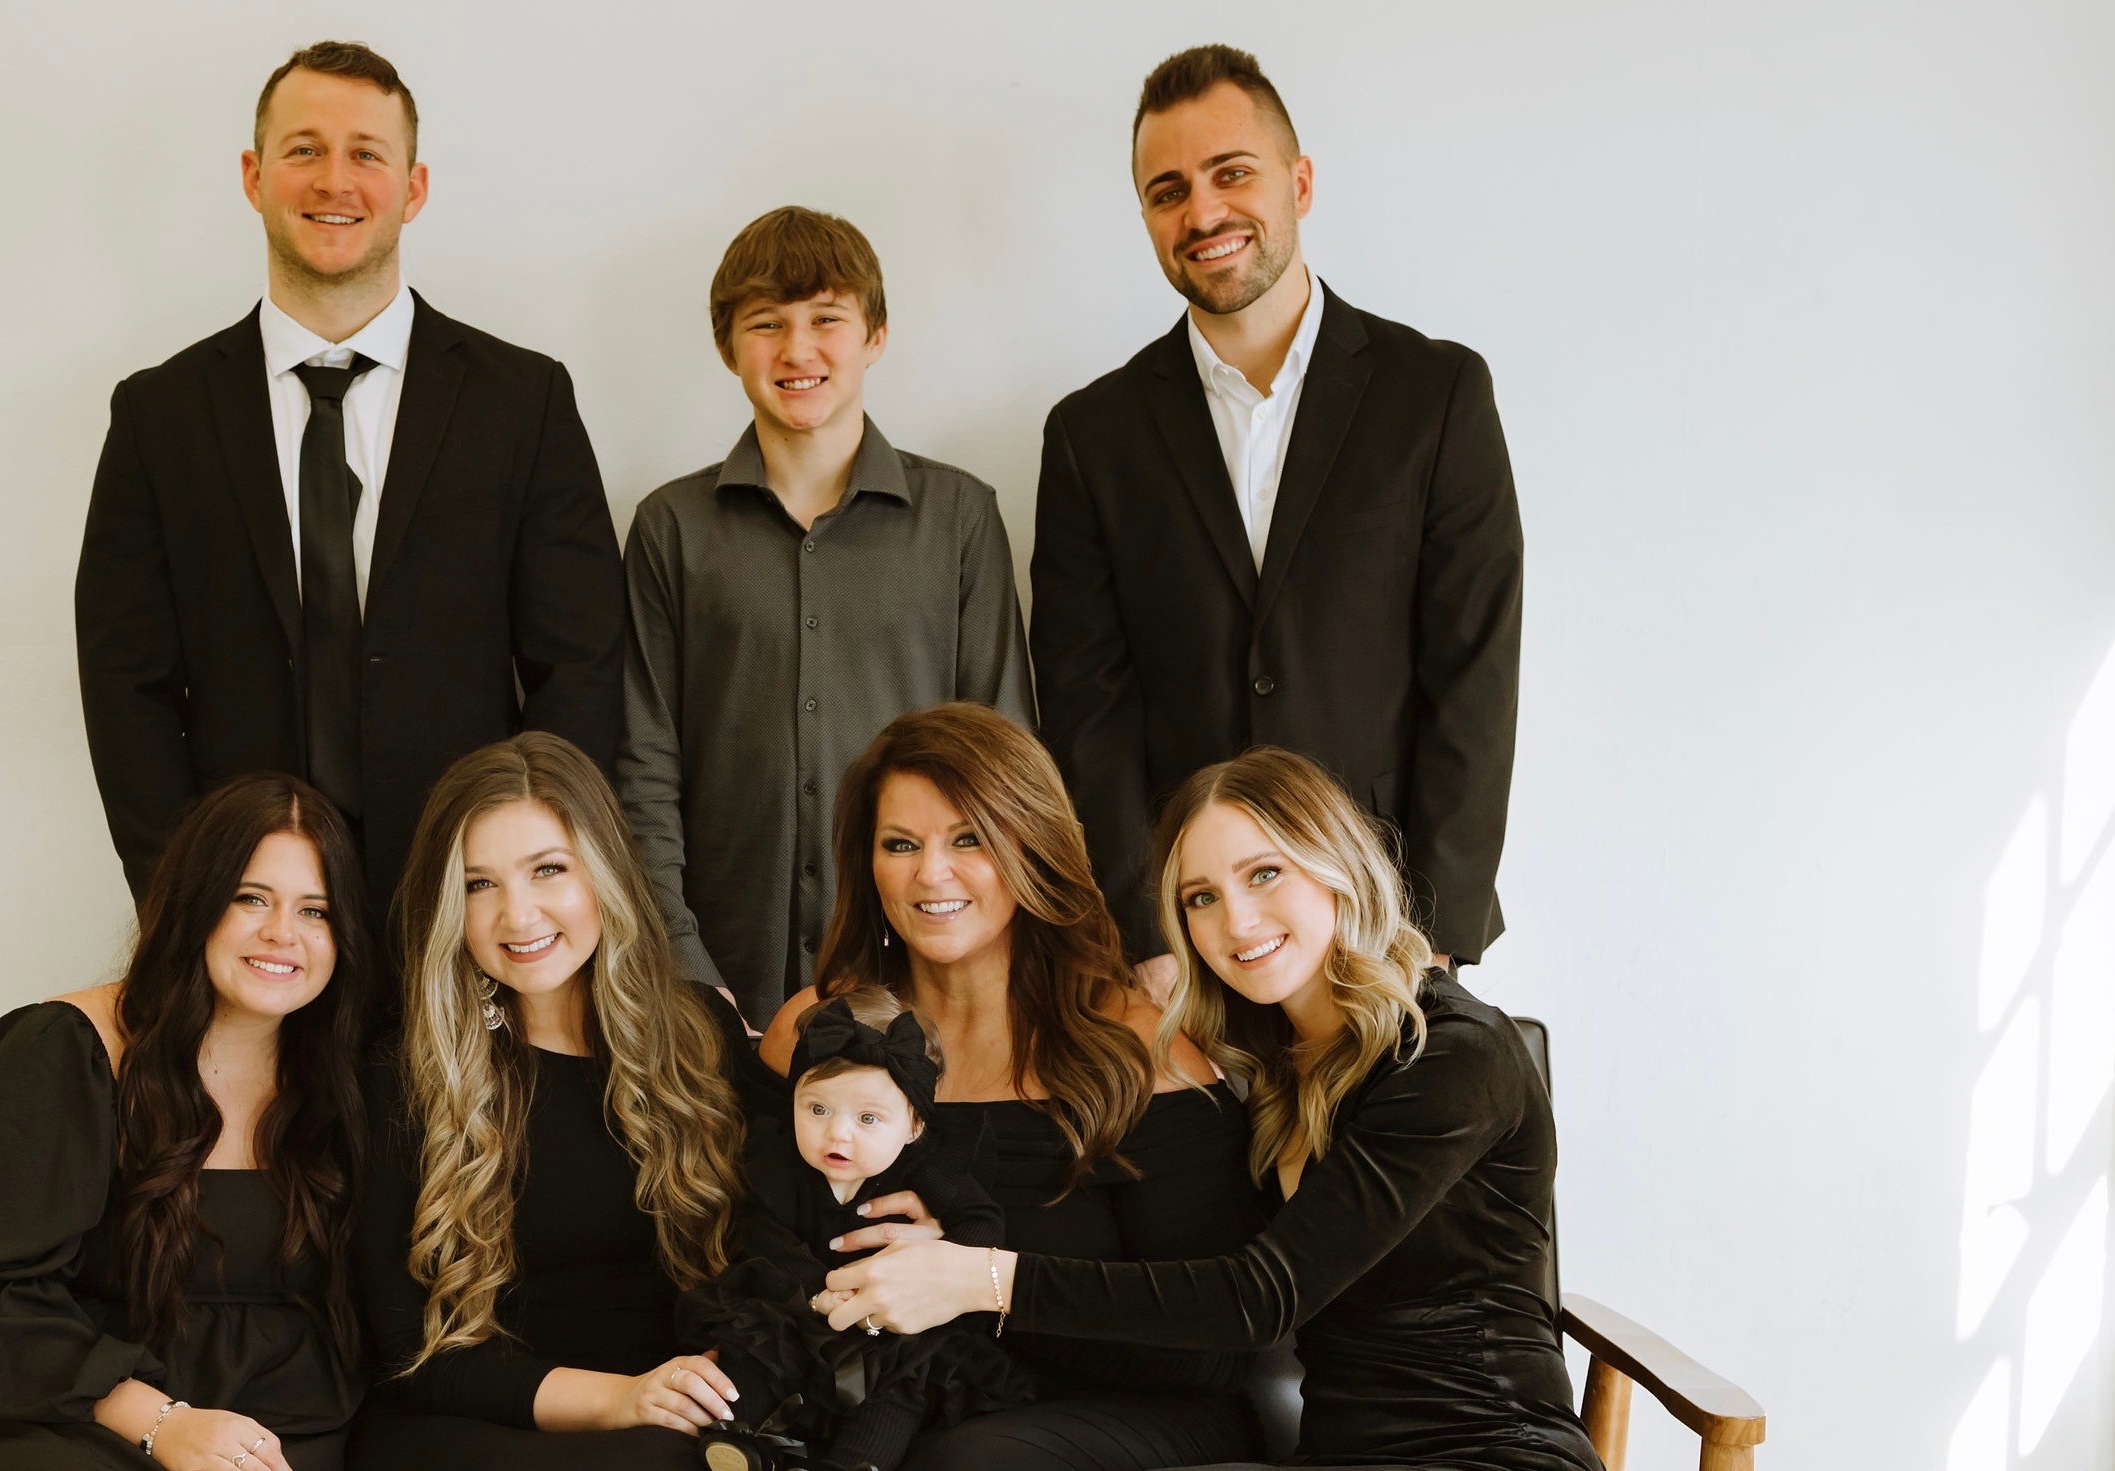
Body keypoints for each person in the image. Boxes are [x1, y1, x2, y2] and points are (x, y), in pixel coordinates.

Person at [819, 747, 1603, 1471]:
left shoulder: (1452, 1053)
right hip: (1336, 1457)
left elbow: (1258, 1296)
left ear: (1335, 866)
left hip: (1489, 1450)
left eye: (1264, 874)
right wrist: (951, 1243)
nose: (1237, 920)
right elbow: (1179, 1274)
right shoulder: (1268, 1060)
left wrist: (980, 1278)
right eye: (1201, 897)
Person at [77, 41, 625, 940]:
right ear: (254, 176)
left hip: (467, 908)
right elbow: (124, 685)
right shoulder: (158, 415)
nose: (335, 180)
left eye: (366, 153)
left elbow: (580, 669)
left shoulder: (523, 401)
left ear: (412, 188)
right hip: (249, 919)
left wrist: (524, 884)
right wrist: (189, 899)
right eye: (304, 149)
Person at [1030, 44, 1521, 1001]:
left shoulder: (1436, 395)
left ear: (1298, 182)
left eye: (1231, 173)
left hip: (1387, 926)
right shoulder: (1090, 435)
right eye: (1167, 191)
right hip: (1191, 942)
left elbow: (1474, 673)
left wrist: (1431, 935)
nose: (1201, 212)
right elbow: (1087, 708)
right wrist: (1145, 934)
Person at [758, 703, 1266, 1471]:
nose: (931, 873)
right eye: (900, 843)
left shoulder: (1143, 1048)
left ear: (1031, 843)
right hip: (887, 1399)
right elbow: (758, 1245)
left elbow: (1214, 1347)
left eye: (968, 838)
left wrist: (972, 1283)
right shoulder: (814, 1033)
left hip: (1131, 1409)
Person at [619, 206, 1033, 1030]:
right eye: (765, 323)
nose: (797, 349)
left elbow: (1005, 758)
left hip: (928, 973)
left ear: (875, 335)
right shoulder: (669, 527)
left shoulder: (958, 518)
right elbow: (644, 764)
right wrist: (682, 963)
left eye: (826, 319)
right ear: (727, 347)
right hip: (723, 977)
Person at [0, 774, 375, 1471]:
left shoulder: (347, 1078)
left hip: (280, 1430)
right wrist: (165, 1423)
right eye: (250, 898)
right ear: (195, 901)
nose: (283, 933)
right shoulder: (63, 1050)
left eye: (316, 910)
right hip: (70, 1421)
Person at [350, 732, 767, 1470]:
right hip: (475, 1426)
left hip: (673, 1414)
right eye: (478, 885)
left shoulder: (701, 1035)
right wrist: (622, 1400)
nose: (518, 916)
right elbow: (413, 1351)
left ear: (604, 873)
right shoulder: (407, 1069)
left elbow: (781, 1245)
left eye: (548, 869)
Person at [682, 988, 1035, 1471]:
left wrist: (937, 1265)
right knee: (752, 1347)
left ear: (913, 1125)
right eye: (817, 1109)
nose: (837, 1133)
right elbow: (766, 1234)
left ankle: (856, 1463)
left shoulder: (928, 1167)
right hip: (800, 1307)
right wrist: (819, 1292)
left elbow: (982, 1223)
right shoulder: (776, 1163)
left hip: (892, 1324)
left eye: (868, 1118)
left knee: (904, 1383)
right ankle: (744, 1441)